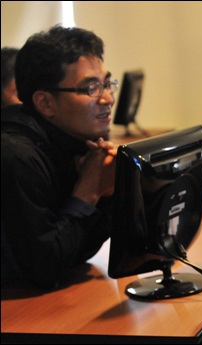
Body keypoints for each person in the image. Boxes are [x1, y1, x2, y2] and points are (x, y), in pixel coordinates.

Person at [1, 25, 118, 290]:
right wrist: (88, 194)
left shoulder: (76, 146)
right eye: (91, 88)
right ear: (45, 103)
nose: (108, 98)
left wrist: (106, 192)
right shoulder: (15, 157)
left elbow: (77, 253)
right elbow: (43, 269)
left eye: (107, 84)